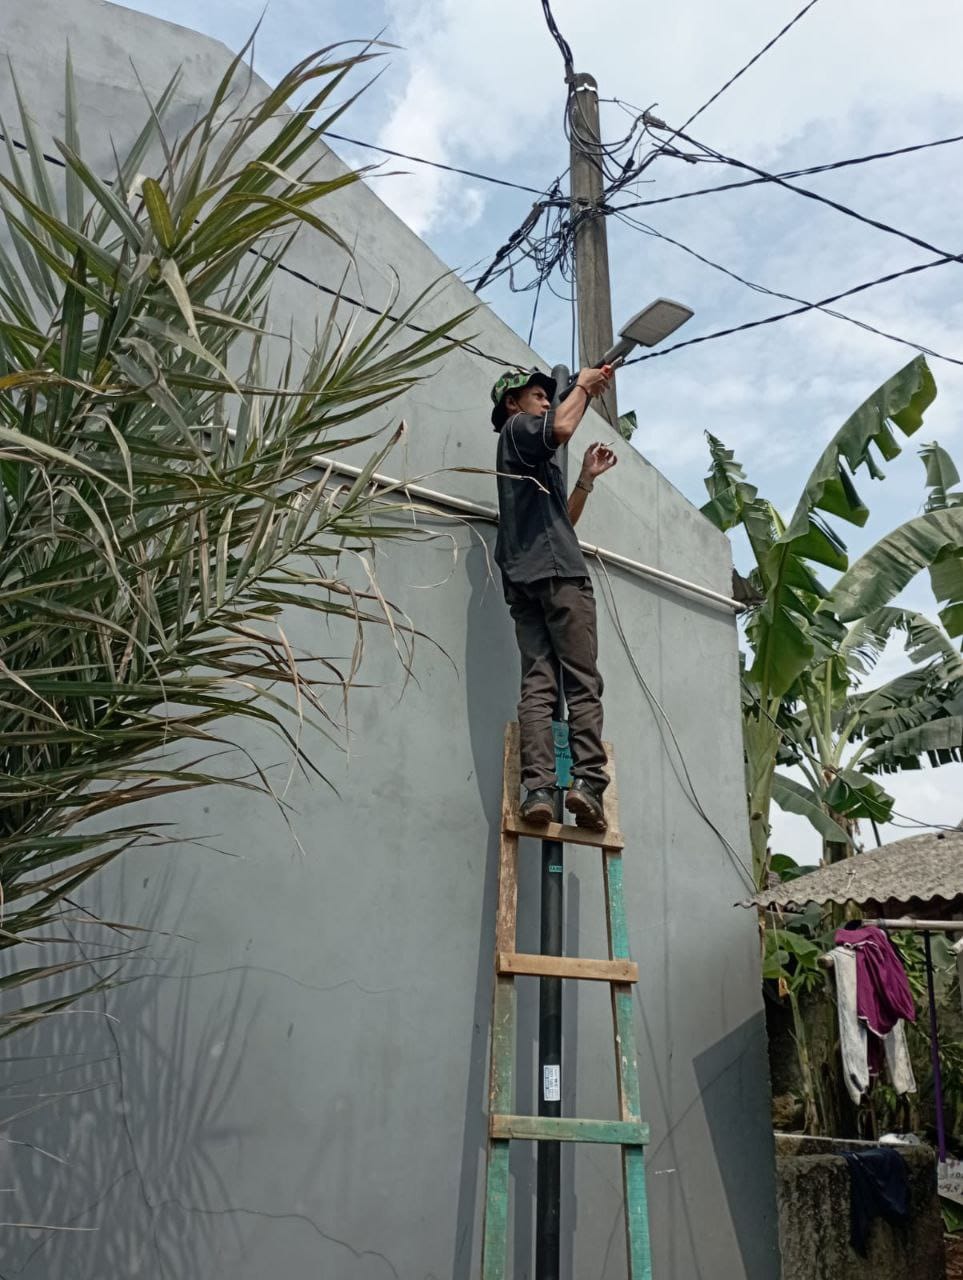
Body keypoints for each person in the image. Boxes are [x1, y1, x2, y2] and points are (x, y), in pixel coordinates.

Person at [490, 365, 618, 830]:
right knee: (582, 683)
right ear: (513, 403)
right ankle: (587, 784)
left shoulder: (526, 459)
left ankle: (539, 791)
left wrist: (585, 479)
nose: (545, 402)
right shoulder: (520, 429)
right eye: (537, 395)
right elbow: (562, 426)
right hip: (560, 576)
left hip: (526, 577)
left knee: (539, 685)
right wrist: (583, 386)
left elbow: (562, 521)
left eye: (550, 395)